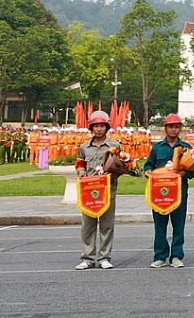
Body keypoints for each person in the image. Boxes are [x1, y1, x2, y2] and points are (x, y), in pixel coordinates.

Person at [144, 114, 194, 268]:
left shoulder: (186, 148)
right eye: (171, 127)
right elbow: (149, 164)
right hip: (159, 193)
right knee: (159, 225)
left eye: (176, 127)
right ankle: (160, 256)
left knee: (178, 225)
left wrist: (185, 174)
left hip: (179, 192)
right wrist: (148, 171)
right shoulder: (157, 148)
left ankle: (176, 255)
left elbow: (193, 170)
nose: (174, 130)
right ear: (165, 128)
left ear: (180, 129)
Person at [75, 111, 121, 270]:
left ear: (106, 127)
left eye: (102, 126)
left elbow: (121, 165)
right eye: (96, 126)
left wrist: (114, 172)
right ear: (91, 128)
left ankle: (104, 257)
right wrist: (81, 173)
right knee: (87, 226)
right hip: (88, 191)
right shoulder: (84, 147)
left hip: (107, 190)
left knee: (107, 225)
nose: (99, 129)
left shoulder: (114, 146)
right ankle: (87, 258)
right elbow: (80, 163)